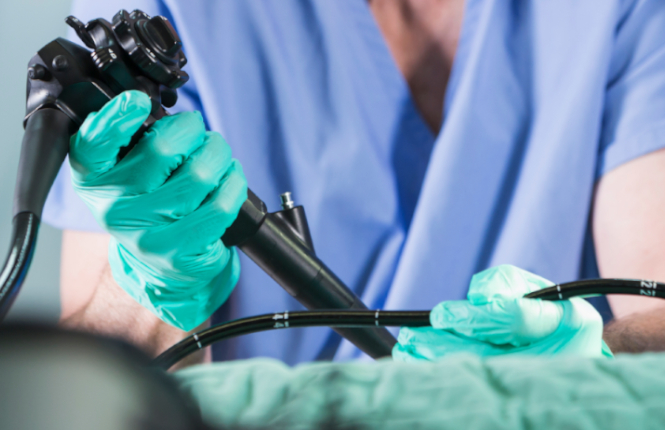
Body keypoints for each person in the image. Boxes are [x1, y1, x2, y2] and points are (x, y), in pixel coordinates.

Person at [44, 0, 665, 363]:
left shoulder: (619, 13)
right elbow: (90, 388)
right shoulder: (169, 16)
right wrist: (150, 286)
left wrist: (588, 360)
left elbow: (658, 310)